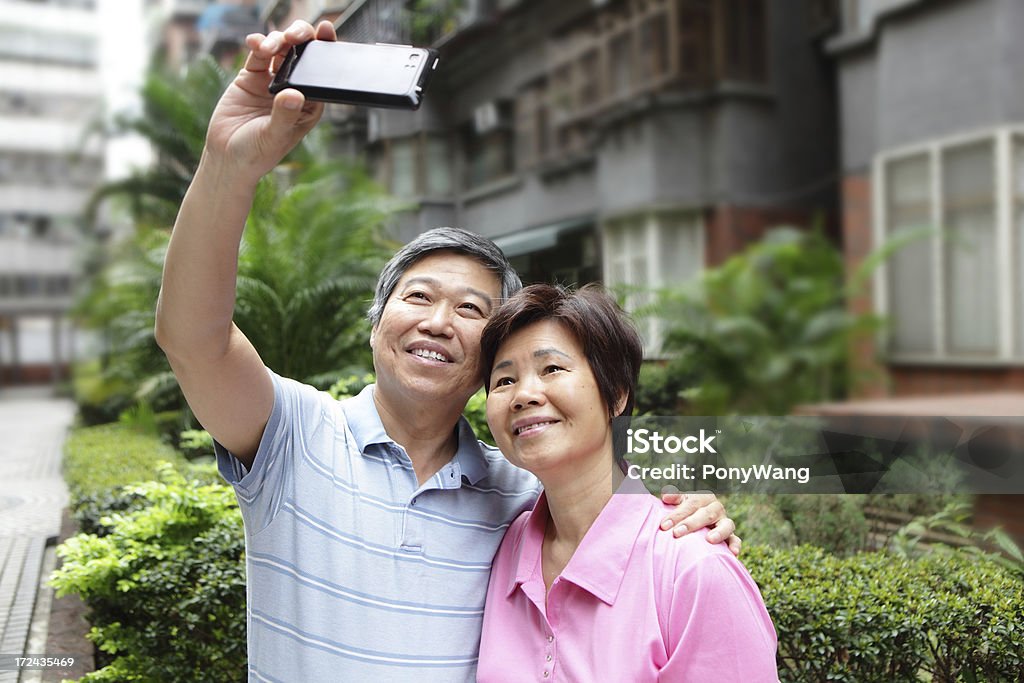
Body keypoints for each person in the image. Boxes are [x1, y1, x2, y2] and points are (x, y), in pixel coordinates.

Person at [154, 19, 739, 682]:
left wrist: (690, 517)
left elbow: (611, 526)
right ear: (374, 326)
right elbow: (193, 337)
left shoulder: (521, 494)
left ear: (488, 363)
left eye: (470, 310)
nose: (437, 321)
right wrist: (228, 167)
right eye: (417, 297)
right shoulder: (292, 432)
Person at [477, 283, 778, 682]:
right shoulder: (506, 545)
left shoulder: (691, 569)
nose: (524, 394)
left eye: (552, 368)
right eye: (504, 380)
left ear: (616, 395)